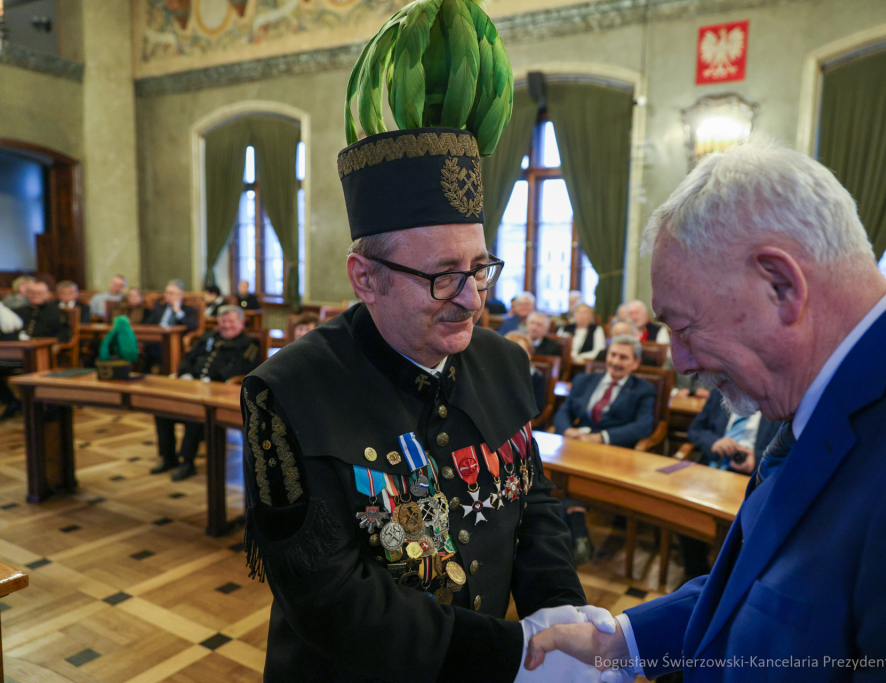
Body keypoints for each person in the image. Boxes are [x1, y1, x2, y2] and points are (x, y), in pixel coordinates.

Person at [525, 140, 886, 682]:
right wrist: (622, 643)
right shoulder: (821, 384)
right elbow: (765, 590)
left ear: (781, 286)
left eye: (686, 326)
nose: (681, 362)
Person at [240, 24, 615, 678]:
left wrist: (558, 613)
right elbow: (331, 598)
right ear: (366, 278)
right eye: (443, 276)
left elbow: (534, 503)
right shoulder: (287, 393)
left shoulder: (503, 362)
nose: (473, 299)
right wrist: (513, 655)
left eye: (481, 267)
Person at [679, 388, 782, 579]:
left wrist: (757, 459)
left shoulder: (778, 398)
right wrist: (714, 443)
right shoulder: (721, 391)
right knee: (684, 510)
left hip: (752, 477)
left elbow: (790, 448)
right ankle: (696, 578)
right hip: (713, 467)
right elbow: (696, 429)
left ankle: (725, 582)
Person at [152, 306, 260, 481]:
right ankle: (168, 457)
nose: (226, 325)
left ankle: (187, 462)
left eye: (231, 321)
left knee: (195, 416)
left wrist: (213, 380)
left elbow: (243, 368)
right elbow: (188, 357)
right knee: (162, 411)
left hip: (218, 392)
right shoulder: (208, 336)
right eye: (223, 321)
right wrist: (185, 374)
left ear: (241, 323)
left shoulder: (249, 343)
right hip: (191, 386)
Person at [553, 335, 655, 447]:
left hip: (614, 447)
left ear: (636, 363)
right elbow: (564, 411)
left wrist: (602, 437)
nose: (615, 362)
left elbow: (643, 426)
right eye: (613, 355)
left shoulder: (643, 390)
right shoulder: (583, 380)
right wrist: (567, 430)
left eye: (623, 357)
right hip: (577, 442)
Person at [143, 280, 199, 372]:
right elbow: (148, 323)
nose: (166, 295)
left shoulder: (188, 310)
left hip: (175, 340)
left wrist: (178, 311)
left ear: (180, 296)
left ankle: (166, 371)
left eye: (171, 293)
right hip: (156, 338)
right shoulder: (159, 308)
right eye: (166, 292)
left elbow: (191, 326)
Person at [506, 331, 548, 413]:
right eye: (514, 351)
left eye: (524, 351)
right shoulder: (495, 373)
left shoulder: (536, 377)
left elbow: (537, 408)